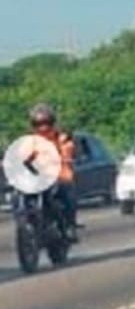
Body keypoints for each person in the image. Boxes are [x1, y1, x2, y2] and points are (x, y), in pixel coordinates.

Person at [28, 104, 80, 242]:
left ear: (53, 123)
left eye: (47, 123)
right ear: (33, 125)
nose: (43, 127)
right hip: (38, 178)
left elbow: (68, 148)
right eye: (38, 124)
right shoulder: (30, 141)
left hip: (59, 175)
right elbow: (21, 155)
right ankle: (26, 219)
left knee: (67, 191)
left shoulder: (62, 138)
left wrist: (67, 156)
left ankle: (69, 225)